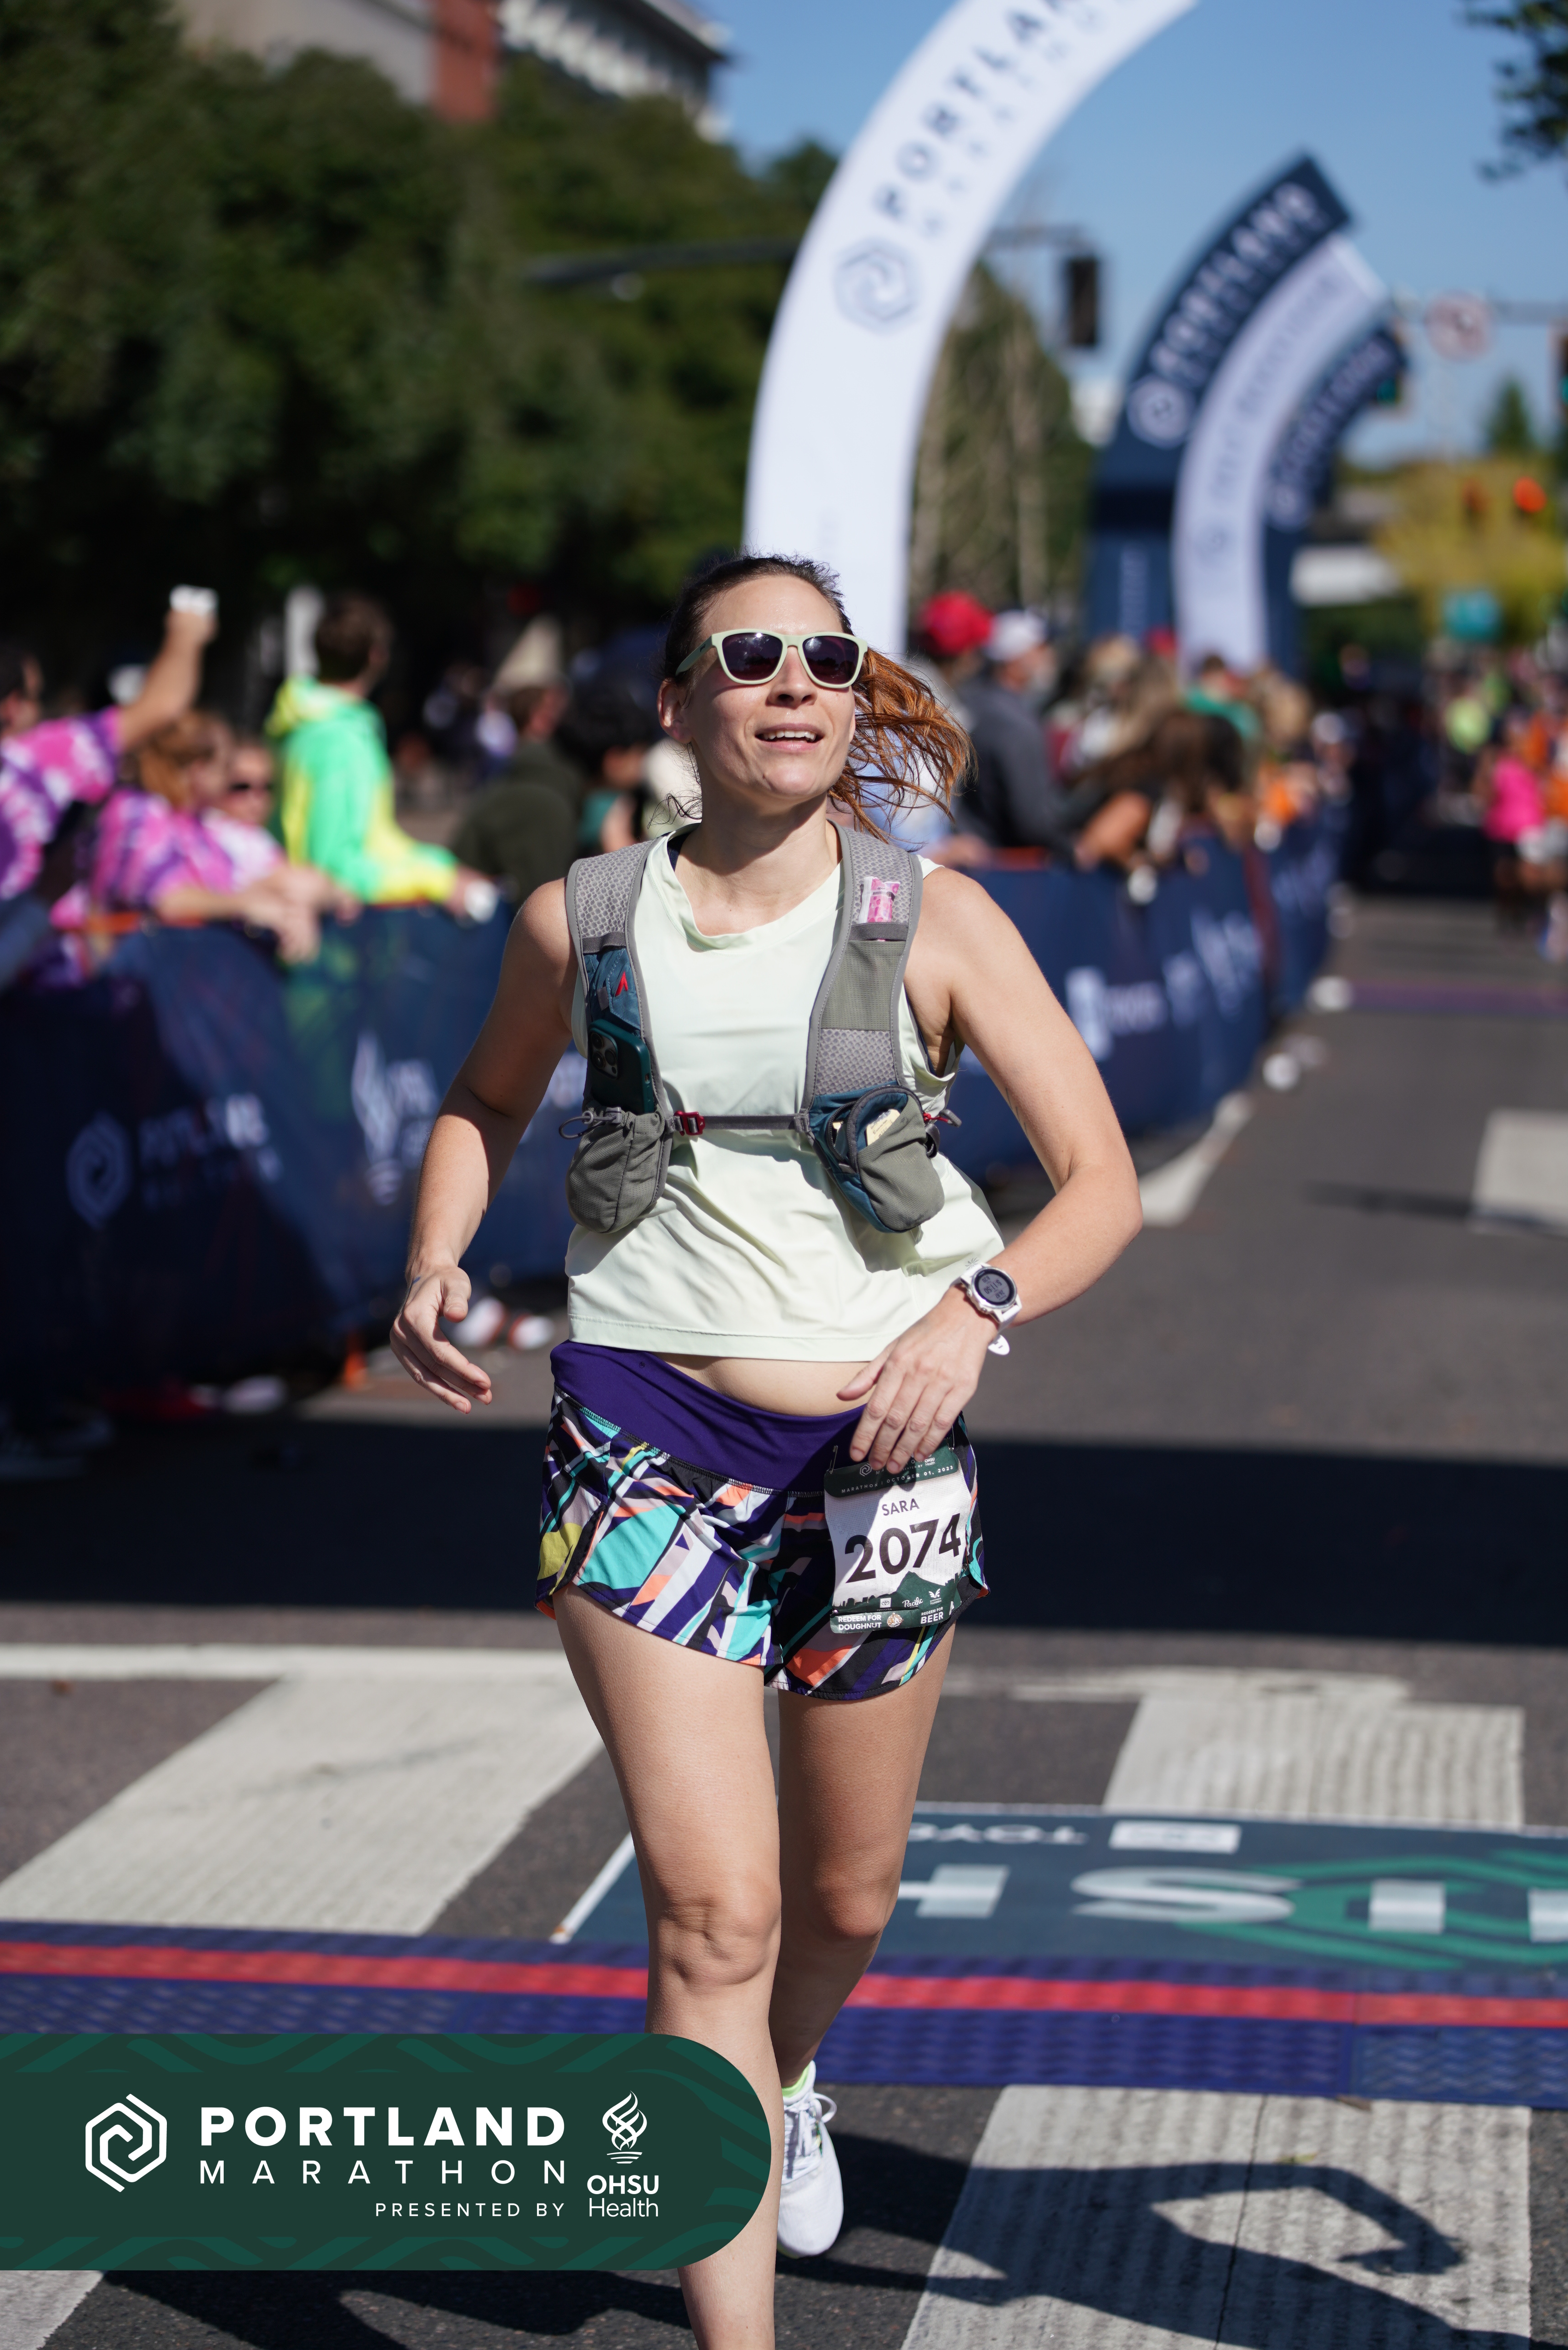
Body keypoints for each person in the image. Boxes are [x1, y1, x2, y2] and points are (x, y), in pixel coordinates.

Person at [389, 553, 1141, 2347]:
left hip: (883, 1459)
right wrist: (434, 1250)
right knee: (712, 1916)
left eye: (825, 655)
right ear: (679, 701)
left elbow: (1099, 1184)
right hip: (642, 1433)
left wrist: (968, 1315)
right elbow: (485, 1096)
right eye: (750, 654)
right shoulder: (585, 918)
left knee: (840, 1896)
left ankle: (784, 2076)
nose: (793, 682)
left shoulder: (938, 920)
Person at [0, 596, 215, 990]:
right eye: (34, 697)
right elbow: (163, 705)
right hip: (41, 992)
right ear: (12, 707)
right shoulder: (35, 762)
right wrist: (188, 631)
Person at [266, 592, 492, 914]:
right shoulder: (338, 740)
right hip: (326, 928)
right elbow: (333, 868)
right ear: (378, 656)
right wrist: (441, 882)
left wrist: (444, 870)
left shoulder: (301, 720)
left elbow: (375, 840)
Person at [87, 710, 347, 964]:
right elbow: (167, 899)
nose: (227, 780)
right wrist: (247, 905)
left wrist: (289, 910)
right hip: (112, 978)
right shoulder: (139, 812)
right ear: (200, 770)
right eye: (226, 769)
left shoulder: (196, 825)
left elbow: (243, 885)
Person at [449, 678, 581, 904]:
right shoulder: (552, 780)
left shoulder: (506, 776)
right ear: (539, 717)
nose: (567, 718)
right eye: (557, 712)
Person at [952, 608, 1073, 854]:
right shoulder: (1016, 726)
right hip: (999, 860)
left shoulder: (968, 701)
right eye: (1040, 649)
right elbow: (1033, 822)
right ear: (1015, 661)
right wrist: (1072, 845)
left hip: (972, 848)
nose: (1049, 657)